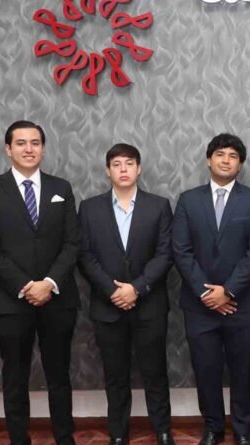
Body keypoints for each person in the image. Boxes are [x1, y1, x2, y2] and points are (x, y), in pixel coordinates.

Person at [0, 120, 79, 445]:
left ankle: (65, 438)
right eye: (21, 143)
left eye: (35, 143)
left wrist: (48, 282)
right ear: (8, 149)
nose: (29, 149)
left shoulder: (61, 188)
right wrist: (26, 285)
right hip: (11, 301)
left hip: (58, 298)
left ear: (43, 149)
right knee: (15, 375)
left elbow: (72, 243)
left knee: (59, 374)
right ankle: (19, 439)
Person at [172, 134, 250, 445]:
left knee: (242, 370)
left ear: (240, 165)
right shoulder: (188, 200)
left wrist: (227, 291)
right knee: (206, 370)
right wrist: (207, 294)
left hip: (243, 304)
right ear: (208, 159)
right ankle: (213, 428)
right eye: (220, 154)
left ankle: (242, 430)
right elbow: (181, 250)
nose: (226, 160)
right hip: (199, 305)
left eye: (233, 156)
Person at [77, 143, 175, 445]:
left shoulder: (159, 206)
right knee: (115, 375)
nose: (123, 169)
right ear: (107, 171)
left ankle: (163, 431)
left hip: (149, 305)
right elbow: (85, 256)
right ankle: (118, 434)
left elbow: (165, 254)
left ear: (139, 168)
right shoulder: (89, 208)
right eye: (116, 164)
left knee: (155, 373)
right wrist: (113, 290)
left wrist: (137, 288)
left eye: (129, 163)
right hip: (107, 307)